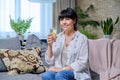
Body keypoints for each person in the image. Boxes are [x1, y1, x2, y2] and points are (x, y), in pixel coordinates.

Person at [42, 8, 91, 80]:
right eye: (61, 20)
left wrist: (61, 69)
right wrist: (50, 45)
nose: (64, 22)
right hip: (59, 72)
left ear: (74, 20)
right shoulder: (57, 37)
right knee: (46, 76)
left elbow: (82, 62)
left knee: (61, 75)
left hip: (76, 73)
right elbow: (50, 61)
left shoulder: (82, 38)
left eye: (67, 19)